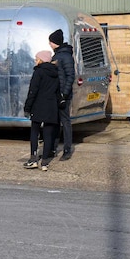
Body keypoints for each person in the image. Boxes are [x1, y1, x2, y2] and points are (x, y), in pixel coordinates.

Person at [23, 50, 61, 171]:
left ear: (41, 59)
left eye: (36, 58)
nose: (35, 60)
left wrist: (27, 107)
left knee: (35, 132)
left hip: (38, 105)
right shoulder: (56, 72)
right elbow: (58, 92)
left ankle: (33, 159)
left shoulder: (38, 72)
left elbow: (33, 91)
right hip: (51, 106)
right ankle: (44, 162)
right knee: (48, 134)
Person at [49, 29, 75, 161]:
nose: (49, 44)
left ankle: (67, 149)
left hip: (63, 95)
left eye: (50, 42)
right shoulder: (57, 55)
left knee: (65, 122)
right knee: (55, 122)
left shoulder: (64, 56)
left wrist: (64, 94)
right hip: (56, 94)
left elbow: (70, 76)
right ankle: (53, 148)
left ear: (54, 42)